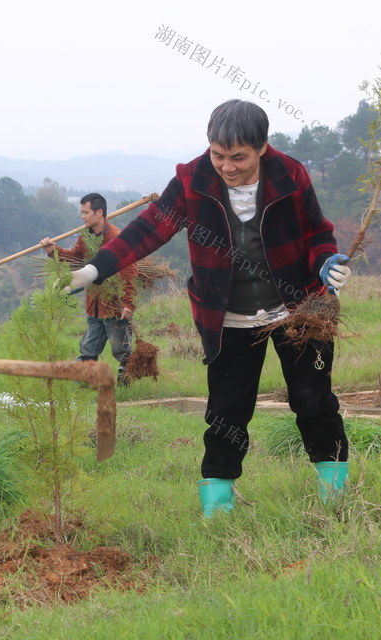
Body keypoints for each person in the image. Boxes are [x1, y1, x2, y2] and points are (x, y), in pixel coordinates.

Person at [67, 100, 353, 517]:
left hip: (298, 309)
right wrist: (95, 268)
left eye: (239, 157)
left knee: (313, 401)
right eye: (219, 155)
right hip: (229, 317)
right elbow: (149, 228)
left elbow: (316, 233)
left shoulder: (289, 174)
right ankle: (217, 510)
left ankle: (337, 497)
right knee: (226, 411)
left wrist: (327, 263)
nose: (227, 166)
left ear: (262, 148)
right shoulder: (193, 179)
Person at [40, 193, 138, 384]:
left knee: (121, 351)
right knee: (88, 349)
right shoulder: (86, 237)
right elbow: (76, 258)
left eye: (86, 212)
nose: (83, 216)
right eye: (82, 213)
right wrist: (54, 251)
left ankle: (127, 385)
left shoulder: (117, 239)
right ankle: (82, 386)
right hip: (94, 305)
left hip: (115, 307)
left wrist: (128, 303)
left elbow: (129, 272)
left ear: (99, 212)